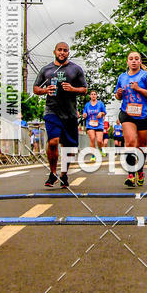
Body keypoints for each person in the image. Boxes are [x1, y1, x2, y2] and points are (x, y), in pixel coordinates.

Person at [33, 42, 87, 188]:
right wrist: (45, 90)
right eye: (60, 50)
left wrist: (72, 89)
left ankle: (64, 174)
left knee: (69, 146)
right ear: (54, 51)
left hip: (70, 113)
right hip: (52, 111)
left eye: (65, 50)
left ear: (68, 53)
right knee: (53, 142)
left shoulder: (75, 69)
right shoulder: (47, 69)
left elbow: (84, 90)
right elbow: (36, 88)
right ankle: (52, 173)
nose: (62, 52)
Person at [116, 51, 147, 188]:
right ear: (127, 62)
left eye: (136, 59)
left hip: (144, 115)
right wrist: (118, 94)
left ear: (140, 62)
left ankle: (139, 171)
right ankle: (130, 174)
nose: (133, 61)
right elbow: (117, 96)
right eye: (131, 59)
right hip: (127, 113)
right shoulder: (122, 77)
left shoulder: (146, 76)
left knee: (141, 145)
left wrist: (138, 88)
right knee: (129, 142)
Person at [82, 90, 107, 158]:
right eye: (92, 94)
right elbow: (84, 113)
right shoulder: (87, 105)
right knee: (92, 138)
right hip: (89, 124)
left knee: (99, 140)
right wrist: (84, 114)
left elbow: (104, 112)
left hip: (99, 124)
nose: (93, 95)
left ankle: (101, 149)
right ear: (90, 96)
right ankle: (93, 155)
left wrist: (101, 113)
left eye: (95, 94)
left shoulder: (100, 104)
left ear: (96, 96)